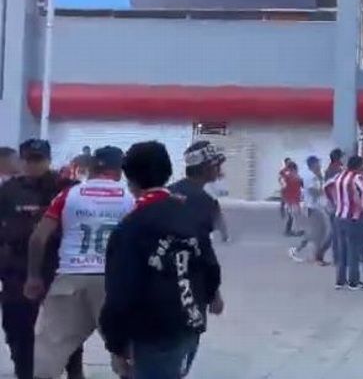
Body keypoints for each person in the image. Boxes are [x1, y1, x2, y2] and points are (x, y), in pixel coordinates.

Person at [100, 141, 222, 379]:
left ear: (129, 179)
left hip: (153, 333)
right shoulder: (191, 213)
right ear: (168, 172)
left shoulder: (131, 227)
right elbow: (209, 264)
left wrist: (115, 345)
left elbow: (121, 292)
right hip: (190, 323)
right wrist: (211, 296)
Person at [24, 147, 135, 379]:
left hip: (70, 276)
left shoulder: (69, 194)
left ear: (93, 167)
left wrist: (33, 276)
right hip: (113, 282)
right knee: (127, 350)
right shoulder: (131, 197)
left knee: (49, 350)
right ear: (120, 170)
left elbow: (38, 238)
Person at [0, 139, 85, 379]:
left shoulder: (67, 188)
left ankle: (74, 372)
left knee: (66, 329)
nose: (33, 165)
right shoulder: (8, 191)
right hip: (17, 270)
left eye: (38, 160)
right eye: (28, 159)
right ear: (21, 160)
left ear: (48, 160)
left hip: (58, 268)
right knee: (18, 329)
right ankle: (24, 373)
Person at [325, 155, 363, 290]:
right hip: (354, 218)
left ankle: (340, 280)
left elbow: (326, 187)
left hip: (339, 216)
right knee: (354, 250)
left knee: (341, 249)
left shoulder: (339, 176)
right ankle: (353, 281)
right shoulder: (358, 178)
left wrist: (334, 202)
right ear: (359, 166)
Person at [169, 141, 230, 243]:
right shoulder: (205, 201)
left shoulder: (169, 191)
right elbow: (223, 238)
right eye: (216, 166)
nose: (220, 171)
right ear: (205, 169)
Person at [289, 156, 331, 266]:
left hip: (316, 207)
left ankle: (299, 250)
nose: (320, 166)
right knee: (318, 233)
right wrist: (324, 191)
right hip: (312, 207)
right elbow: (312, 191)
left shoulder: (315, 176)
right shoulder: (310, 176)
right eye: (318, 163)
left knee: (316, 232)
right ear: (313, 164)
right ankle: (314, 257)